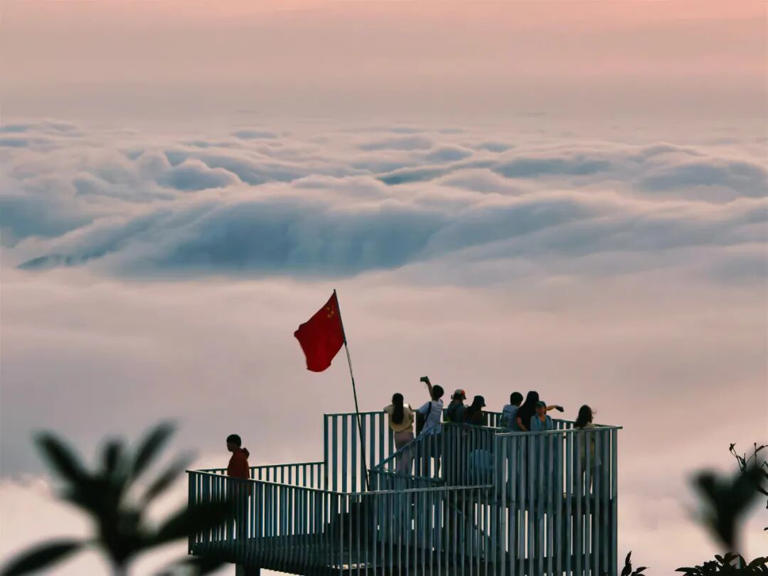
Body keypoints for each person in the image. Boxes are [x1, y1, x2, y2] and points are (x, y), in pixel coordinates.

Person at [416, 376, 444, 476]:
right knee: (436, 456)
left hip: (427, 434)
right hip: (438, 432)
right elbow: (433, 395)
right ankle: (436, 474)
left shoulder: (429, 404)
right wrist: (428, 383)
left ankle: (425, 475)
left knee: (426, 455)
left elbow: (419, 412)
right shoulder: (440, 403)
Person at [226, 433, 250, 540]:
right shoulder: (239, 456)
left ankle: (241, 540)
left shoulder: (238, 457)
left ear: (235, 444)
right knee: (240, 517)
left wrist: (233, 491)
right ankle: (241, 539)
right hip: (240, 490)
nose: (227, 446)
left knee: (239, 517)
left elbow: (237, 475)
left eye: (229, 444)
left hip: (239, 491)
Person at [384, 393, 415, 474]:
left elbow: (385, 408)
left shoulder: (391, 410)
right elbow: (412, 419)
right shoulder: (406, 410)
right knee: (408, 456)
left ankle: (399, 472)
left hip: (398, 435)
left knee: (400, 456)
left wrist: (392, 405)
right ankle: (406, 474)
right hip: (408, 434)